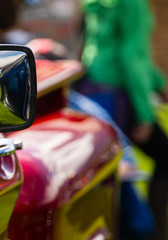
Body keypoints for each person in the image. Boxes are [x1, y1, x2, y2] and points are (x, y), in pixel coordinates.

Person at [74, 0, 168, 239]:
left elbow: (112, 50)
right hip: (118, 94)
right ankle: (152, 229)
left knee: (109, 171)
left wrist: (159, 84)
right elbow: (131, 57)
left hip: (94, 91)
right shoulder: (132, 4)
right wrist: (145, 116)